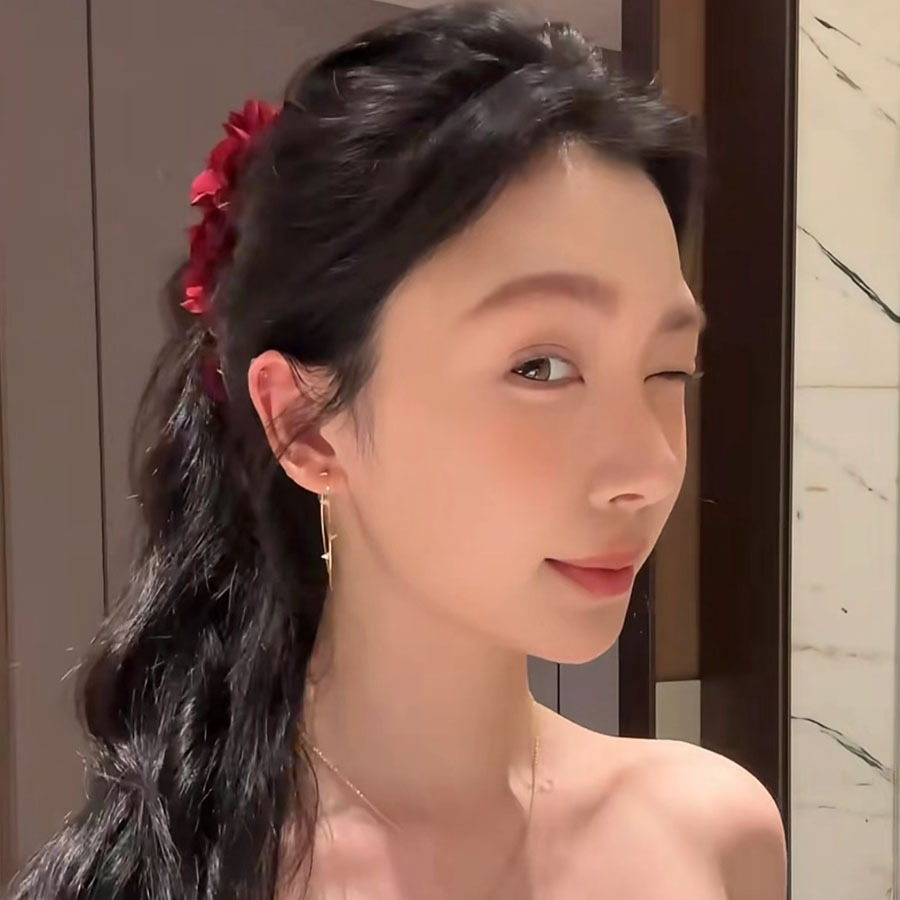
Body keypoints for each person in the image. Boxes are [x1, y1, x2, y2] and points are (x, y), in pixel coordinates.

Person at [9, 3, 787, 898]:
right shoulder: (174, 873)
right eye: (541, 367)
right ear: (305, 424)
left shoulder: (710, 836)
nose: (648, 470)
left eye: (668, 370)